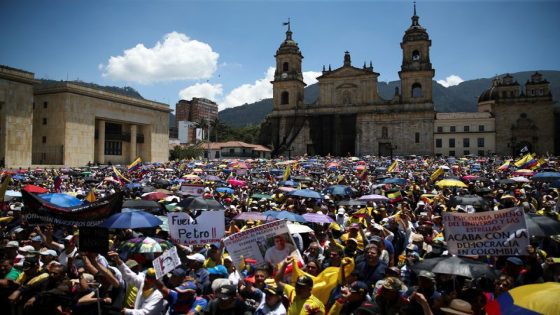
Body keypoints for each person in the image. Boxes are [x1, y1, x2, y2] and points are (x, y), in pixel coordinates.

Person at [108, 251, 164, 315]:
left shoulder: (157, 295)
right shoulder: (142, 283)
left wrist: (128, 311)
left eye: (150, 278)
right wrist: (118, 260)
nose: (146, 279)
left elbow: (146, 313)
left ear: (155, 281)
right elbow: (130, 275)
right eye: (146, 276)